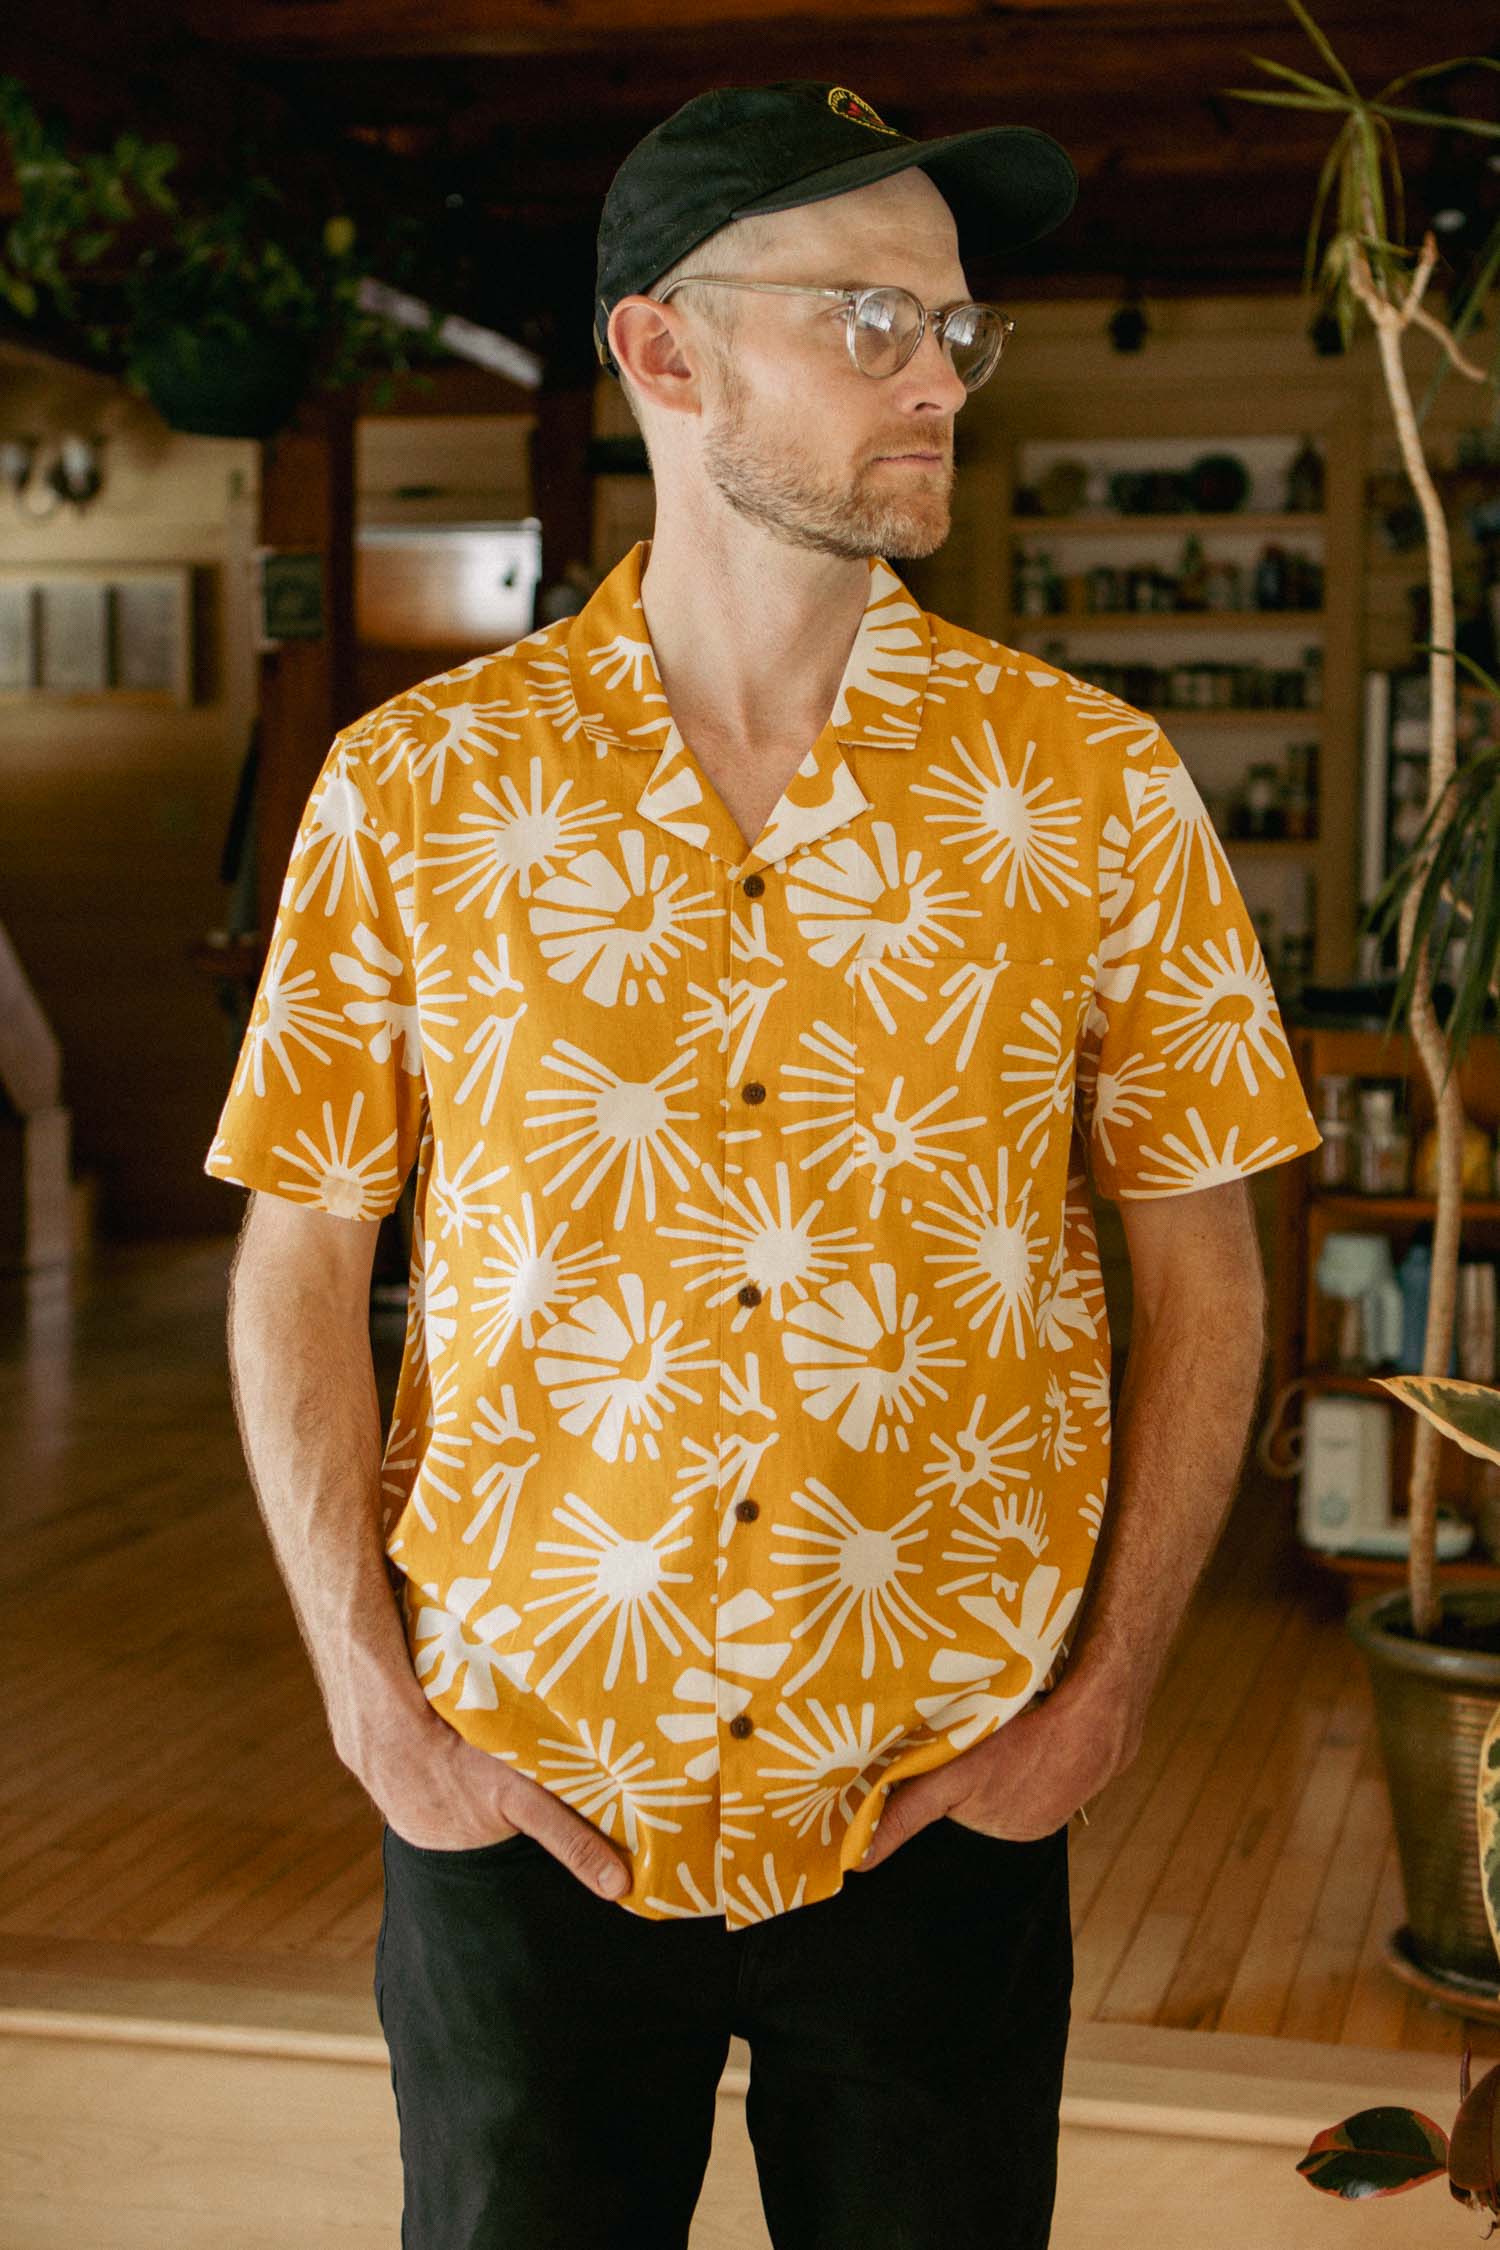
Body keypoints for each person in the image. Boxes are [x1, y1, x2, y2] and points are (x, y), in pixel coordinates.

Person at [208, 78, 1323, 2250]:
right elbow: (296, 1260)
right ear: (665, 350)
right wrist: (374, 1711)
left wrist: (1100, 1710)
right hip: (523, 1777)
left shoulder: (1092, 786)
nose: (938, 380)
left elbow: (1211, 1272)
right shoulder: (415, 790)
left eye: (958, 331)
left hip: (943, 1798)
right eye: (873, 321)